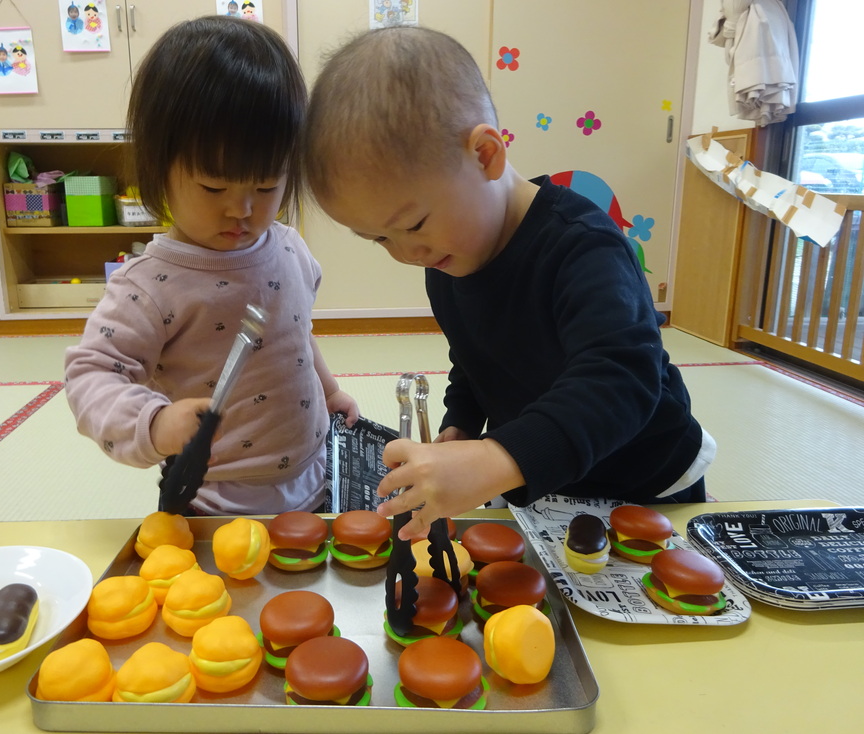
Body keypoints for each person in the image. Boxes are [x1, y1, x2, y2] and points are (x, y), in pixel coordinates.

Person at [303, 26, 715, 540]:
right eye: (379, 239)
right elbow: (477, 356)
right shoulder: (449, 256)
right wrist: (460, 425)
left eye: (412, 225)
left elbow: (622, 380)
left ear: (485, 154)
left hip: (645, 482)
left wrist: (497, 457)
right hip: (546, 484)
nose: (408, 254)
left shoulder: (581, 245)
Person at [65, 16, 358, 516]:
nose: (241, 210)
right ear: (159, 169)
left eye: (266, 187)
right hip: (215, 500)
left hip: (314, 477)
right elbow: (90, 374)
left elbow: (294, 335)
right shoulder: (150, 288)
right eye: (214, 188)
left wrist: (329, 392)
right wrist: (154, 424)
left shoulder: (288, 248)